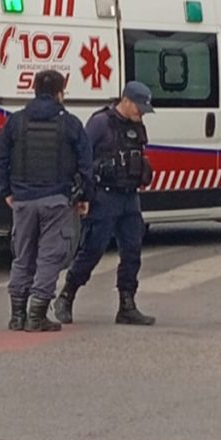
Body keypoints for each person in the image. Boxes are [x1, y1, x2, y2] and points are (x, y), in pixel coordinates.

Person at [0, 70, 94, 332]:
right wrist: (84, 197)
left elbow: (0, 159)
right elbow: (86, 166)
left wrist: (6, 192)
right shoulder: (70, 124)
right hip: (57, 201)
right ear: (61, 93)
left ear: (34, 90)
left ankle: (17, 316)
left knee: (22, 256)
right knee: (49, 257)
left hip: (23, 201)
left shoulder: (16, 121)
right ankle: (37, 315)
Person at [54, 81, 156, 326]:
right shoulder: (100, 123)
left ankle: (127, 305)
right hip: (104, 197)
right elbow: (83, 158)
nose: (140, 113)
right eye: (138, 107)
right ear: (126, 100)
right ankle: (66, 296)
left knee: (132, 251)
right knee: (93, 250)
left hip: (129, 198)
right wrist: (83, 195)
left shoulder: (137, 126)